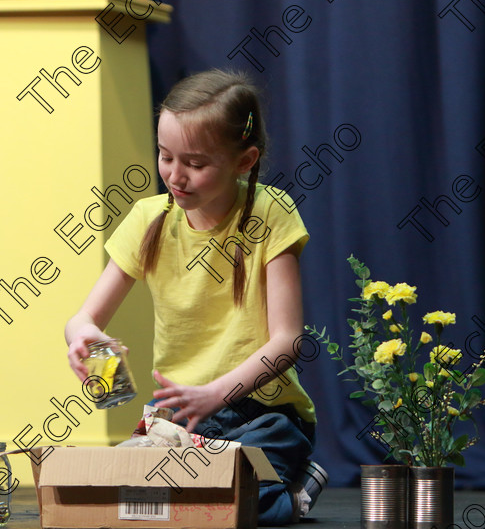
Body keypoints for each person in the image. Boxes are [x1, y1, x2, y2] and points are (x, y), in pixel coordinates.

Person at [64, 68, 321, 525]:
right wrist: (83, 337)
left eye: (196, 164)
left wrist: (216, 395)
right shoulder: (149, 218)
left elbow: (287, 341)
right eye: (165, 156)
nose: (175, 176)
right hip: (180, 420)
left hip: (263, 415)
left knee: (232, 505)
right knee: (128, 503)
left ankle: (295, 486)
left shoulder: (271, 212)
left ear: (245, 161)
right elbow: (84, 318)